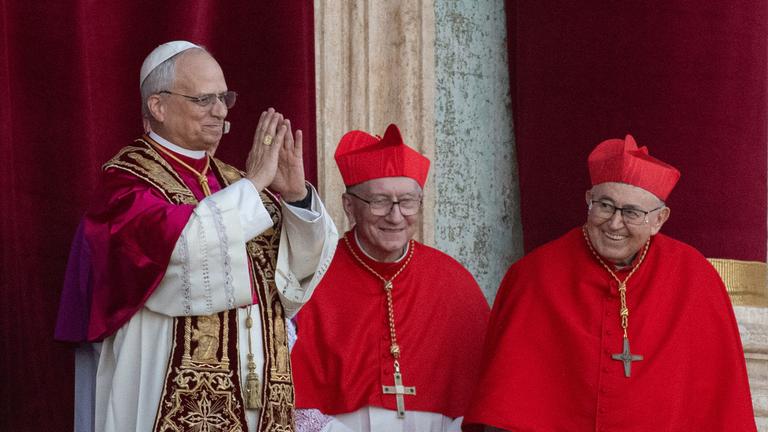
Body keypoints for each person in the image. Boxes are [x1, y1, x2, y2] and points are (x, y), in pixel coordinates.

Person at [54, 40, 337, 432]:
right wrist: (255, 185)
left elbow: (290, 282)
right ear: (158, 106)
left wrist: (295, 197)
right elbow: (178, 252)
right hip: (162, 382)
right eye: (204, 99)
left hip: (255, 391)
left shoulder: (235, 182)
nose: (220, 111)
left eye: (224, 98)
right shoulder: (129, 181)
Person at [462, 135, 756, 431]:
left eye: (632, 212)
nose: (615, 223)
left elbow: (722, 402)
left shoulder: (695, 277)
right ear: (588, 200)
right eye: (605, 205)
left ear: (659, 219)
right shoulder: (534, 275)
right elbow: (504, 406)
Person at [290, 124, 490, 431]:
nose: (395, 216)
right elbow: (290, 397)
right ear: (349, 206)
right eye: (380, 201)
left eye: (407, 201)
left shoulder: (454, 282)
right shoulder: (313, 277)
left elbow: (484, 395)